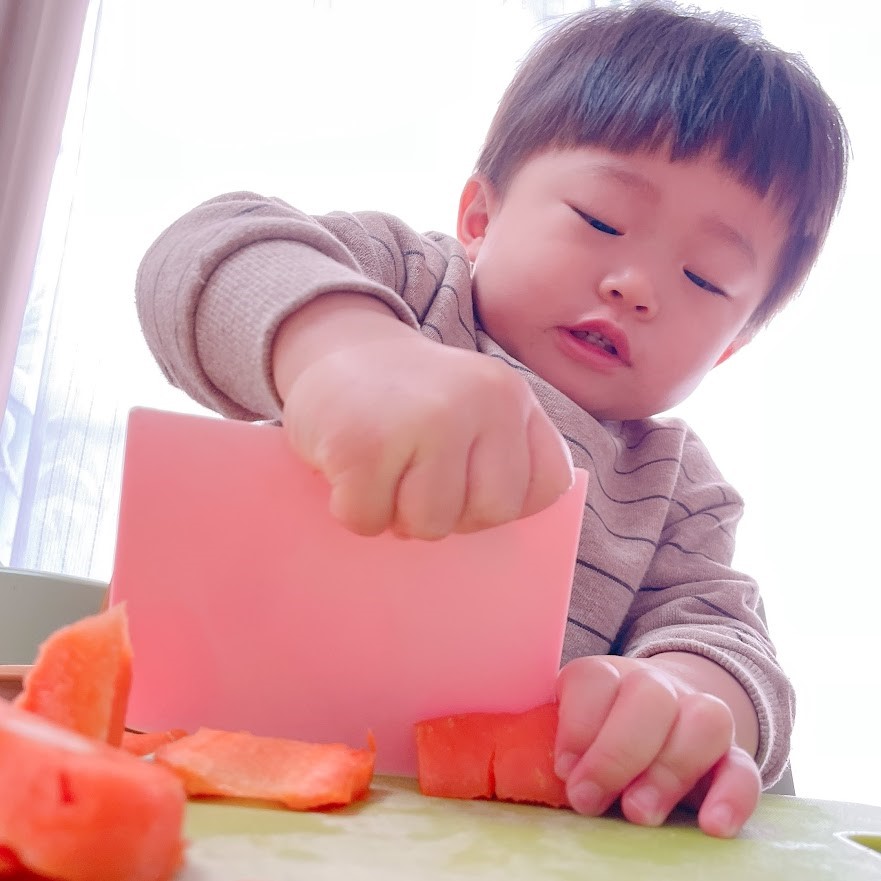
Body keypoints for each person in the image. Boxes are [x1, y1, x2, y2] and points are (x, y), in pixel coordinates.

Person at [135, 0, 848, 838]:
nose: (637, 284)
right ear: (479, 217)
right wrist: (340, 350)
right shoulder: (404, 285)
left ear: (730, 346)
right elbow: (202, 248)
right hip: (206, 778)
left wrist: (682, 697)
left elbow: (726, 637)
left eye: (703, 277)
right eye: (599, 220)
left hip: (481, 840)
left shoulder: (678, 490)